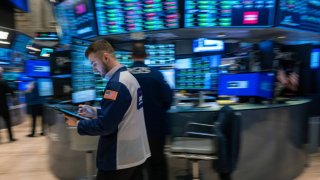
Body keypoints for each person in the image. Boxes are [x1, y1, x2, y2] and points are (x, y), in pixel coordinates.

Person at [64, 39, 150, 180]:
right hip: (135, 155)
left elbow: (106, 126)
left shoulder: (116, 84)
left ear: (106, 57)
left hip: (119, 158)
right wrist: (94, 112)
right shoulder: (128, 78)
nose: (94, 69)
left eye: (94, 63)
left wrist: (78, 124)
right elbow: (123, 113)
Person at [128, 42, 173, 180]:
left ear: (131, 56)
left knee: (135, 166)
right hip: (155, 128)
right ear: (147, 55)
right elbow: (168, 99)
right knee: (157, 163)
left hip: (132, 129)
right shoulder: (157, 74)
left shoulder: (124, 75)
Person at [0, 66, 17, 142]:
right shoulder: (3, 81)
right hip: (3, 106)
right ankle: (10, 138)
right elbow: (10, 91)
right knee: (7, 122)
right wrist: (13, 95)